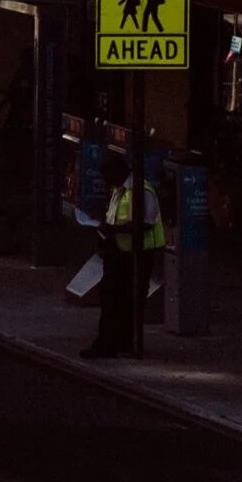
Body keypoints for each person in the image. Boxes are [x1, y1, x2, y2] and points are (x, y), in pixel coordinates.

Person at [85, 147, 166, 358]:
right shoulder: (120, 190)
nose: (106, 181)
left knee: (124, 301)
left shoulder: (142, 191)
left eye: (108, 176)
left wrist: (113, 229)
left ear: (119, 172)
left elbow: (145, 223)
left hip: (137, 255)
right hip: (118, 252)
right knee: (113, 299)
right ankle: (116, 342)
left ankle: (113, 343)